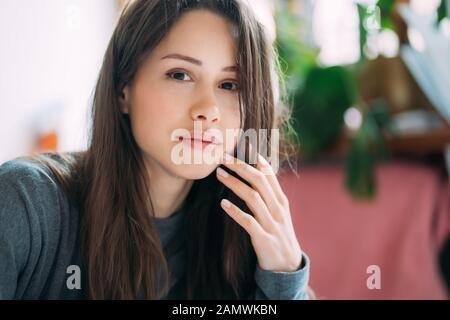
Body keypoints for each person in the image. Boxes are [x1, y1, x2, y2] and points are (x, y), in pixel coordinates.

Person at [0, 0, 310, 299]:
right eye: (180, 75)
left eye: (229, 84)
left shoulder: (244, 239)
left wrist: (284, 278)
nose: (208, 109)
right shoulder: (25, 202)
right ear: (124, 89)